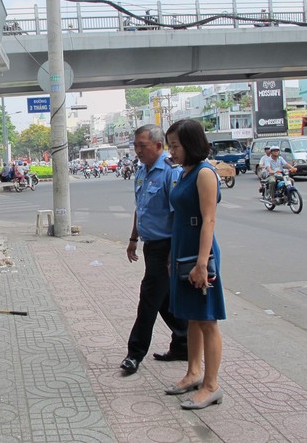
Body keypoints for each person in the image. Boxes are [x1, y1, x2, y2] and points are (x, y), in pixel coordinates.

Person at [164, 118, 226, 410]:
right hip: (182, 250)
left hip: (199, 253)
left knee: (206, 318)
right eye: (170, 146)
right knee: (191, 316)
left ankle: (212, 385)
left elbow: (208, 220)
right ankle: (193, 373)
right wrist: (171, 256)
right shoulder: (184, 171)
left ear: (190, 143)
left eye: (175, 146)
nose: (172, 152)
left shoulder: (204, 173)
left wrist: (202, 264)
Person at [120, 125, 188, 375]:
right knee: (164, 300)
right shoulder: (141, 172)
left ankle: (134, 353)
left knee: (148, 299)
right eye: (135, 145)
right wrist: (133, 238)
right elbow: (142, 207)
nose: (137, 151)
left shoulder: (171, 173)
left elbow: (179, 215)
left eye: (142, 146)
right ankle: (184, 341)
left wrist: (174, 252)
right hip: (151, 247)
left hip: (167, 247)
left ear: (158, 146)